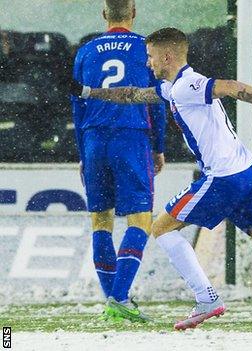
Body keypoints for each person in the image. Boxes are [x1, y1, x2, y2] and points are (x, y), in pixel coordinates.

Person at [73, 27, 252, 332]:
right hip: (248, 171)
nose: (148, 63)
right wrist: (87, 92)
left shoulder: (188, 85)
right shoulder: (173, 87)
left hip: (224, 178)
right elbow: (132, 95)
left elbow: (231, 87)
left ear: (166, 56)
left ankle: (206, 299)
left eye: (151, 57)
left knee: (162, 227)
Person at [70, 0, 166, 322]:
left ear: (104, 14)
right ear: (133, 13)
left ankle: (113, 303)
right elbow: (158, 100)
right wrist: (159, 147)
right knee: (140, 220)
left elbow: (77, 105)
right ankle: (121, 297)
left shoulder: (85, 51)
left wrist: (83, 153)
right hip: (131, 137)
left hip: (94, 138)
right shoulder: (145, 48)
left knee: (100, 223)